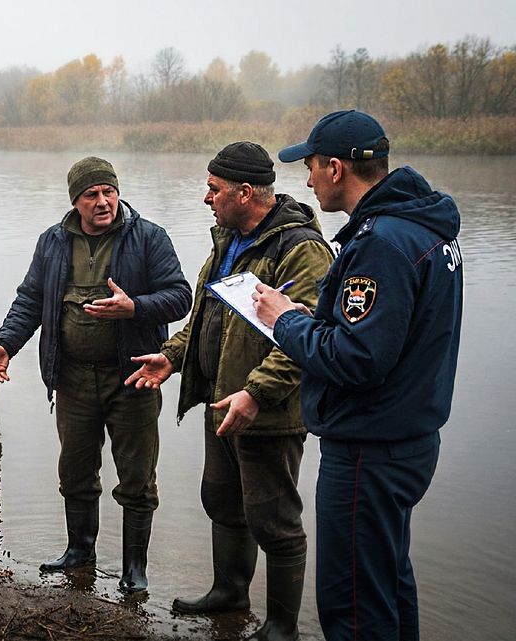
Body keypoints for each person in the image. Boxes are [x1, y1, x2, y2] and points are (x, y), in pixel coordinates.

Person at [253, 111, 463, 641]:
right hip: (409, 439)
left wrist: (288, 320)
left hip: (370, 448)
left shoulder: (381, 244)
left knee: (352, 607)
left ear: (335, 168)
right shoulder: (425, 227)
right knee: (389, 585)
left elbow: (357, 359)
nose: (306, 179)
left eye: (311, 167)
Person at [126, 142, 332, 640]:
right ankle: (230, 593)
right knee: (222, 501)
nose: (206, 198)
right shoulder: (227, 239)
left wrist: (256, 392)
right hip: (221, 401)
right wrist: (173, 357)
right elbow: (205, 316)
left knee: (275, 521)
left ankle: (282, 627)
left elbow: (306, 339)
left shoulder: (300, 248)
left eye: (214, 189)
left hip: (268, 411)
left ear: (245, 192)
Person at [0, 156, 191, 591]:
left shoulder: (149, 238)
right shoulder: (53, 243)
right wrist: (6, 345)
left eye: (109, 191)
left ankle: (135, 569)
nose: (103, 201)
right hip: (73, 379)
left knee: (136, 478)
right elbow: (30, 301)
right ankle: (79, 553)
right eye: (91, 194)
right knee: (75, 471)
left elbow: (180, 297)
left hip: (132, 377)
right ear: (75, 200)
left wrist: (136, 307)